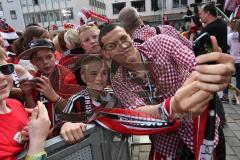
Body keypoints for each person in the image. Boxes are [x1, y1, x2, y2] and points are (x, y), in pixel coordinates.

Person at [98, 24, 235, 159]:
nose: (122, 46)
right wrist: (172, 106)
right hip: (167, 147)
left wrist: (214, 73)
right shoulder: (119, 81)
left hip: (204, 133)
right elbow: (138, 111)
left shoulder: (161, 43)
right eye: (112, 46)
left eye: (123, 39)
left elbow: (195, 65)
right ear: (106, 53)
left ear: (130, 36)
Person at [18, 39, 77, 133]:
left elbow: (75, 111)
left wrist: (54, 97)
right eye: (38, 59)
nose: (45, 62)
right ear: (32, 62)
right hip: (44, 134)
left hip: (64, 134)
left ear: (55, 56)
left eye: (49, 57)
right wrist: (28, 94)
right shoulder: (35, 79)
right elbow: (34, 113)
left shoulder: (67, 76)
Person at [60, 55, 121, 143]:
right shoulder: (76, 100)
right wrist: (65, 125)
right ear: (83, 76)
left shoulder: (113, 97)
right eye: (93, 73)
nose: (99, 78)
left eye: (104, 73)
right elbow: (63, 124)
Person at [0, 55, 50, 160]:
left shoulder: (15, 104)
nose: (1, 76)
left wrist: (63, 127)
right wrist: (37, 142)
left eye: (4, 68)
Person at [118, 6, 192, 50]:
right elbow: (191, 47)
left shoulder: (134, 49)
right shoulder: (168, 28)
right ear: (141, 17)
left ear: (125, 29)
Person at [228, 19, 240, 104]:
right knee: (239, 80)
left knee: (228, 79)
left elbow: (228, 45)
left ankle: (225, 96)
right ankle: (236, 97)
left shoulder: (230, 35)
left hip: (232, 60)